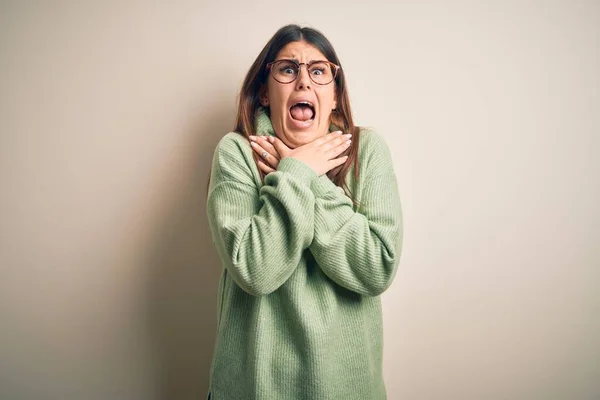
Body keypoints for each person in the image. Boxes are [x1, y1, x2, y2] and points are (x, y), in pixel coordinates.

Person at [206, 24, 403, 400]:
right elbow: (254, 270)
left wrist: (303, 176)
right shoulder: (237, 152)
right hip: (252, 389)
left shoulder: (369, 151)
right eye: (287, 69)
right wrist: (298, 171)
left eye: (318, 71)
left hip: (348, 389)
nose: (303, 81)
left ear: (333, 95)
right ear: (264, 92)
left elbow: (377, 267)